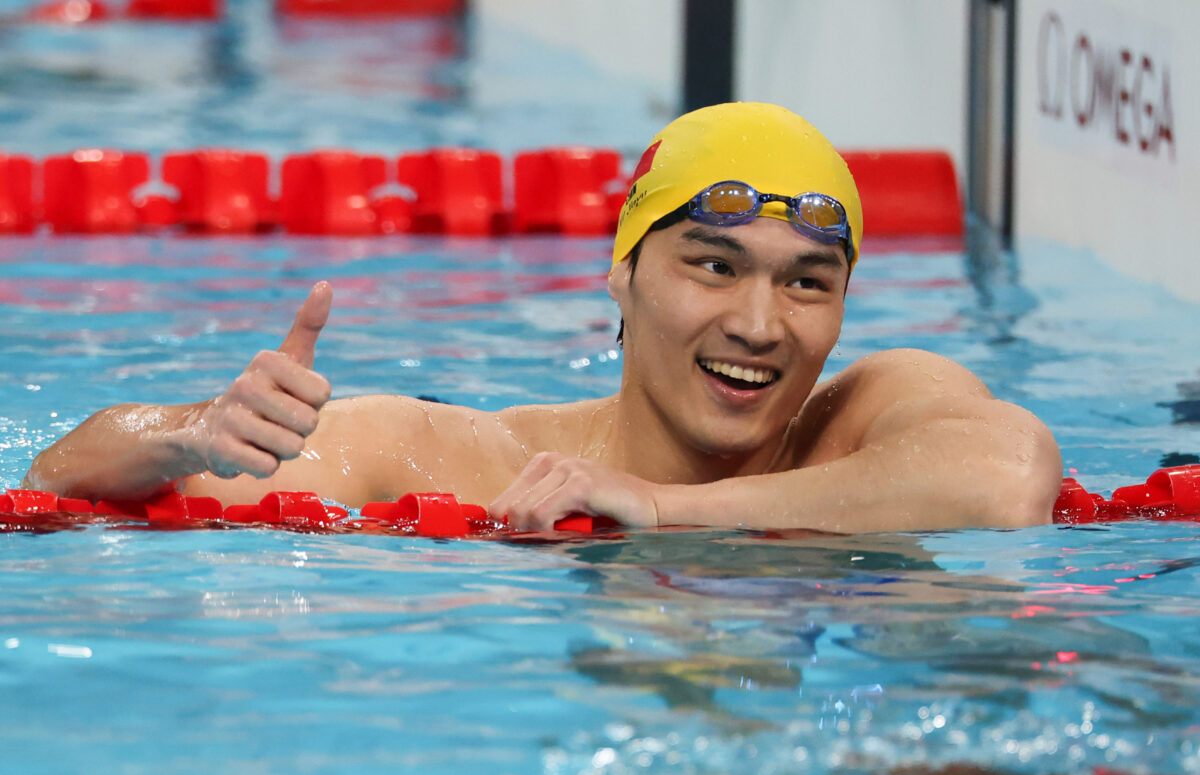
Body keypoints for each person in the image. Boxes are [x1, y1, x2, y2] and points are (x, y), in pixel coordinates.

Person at [22, 102, 1062, 532]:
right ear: (623, 273)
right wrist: (194, 433)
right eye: (714, 264)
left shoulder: (871, 409)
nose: (760, 320)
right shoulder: (462, 454)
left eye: (807, 283)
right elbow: (56, 477)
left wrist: (658, 507)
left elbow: (1008, 479)